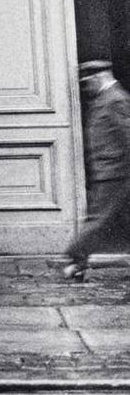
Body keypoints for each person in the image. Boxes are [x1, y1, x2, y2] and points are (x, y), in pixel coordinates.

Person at [64, 60, 130, 282]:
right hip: (110, 171)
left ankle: (75, 255)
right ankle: (78, 262)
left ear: (98, 77)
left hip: (116, 173)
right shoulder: (107, 99)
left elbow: (127, 136)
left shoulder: (115, 99)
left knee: (100, 219)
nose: (86, 87)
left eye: (87, 82)